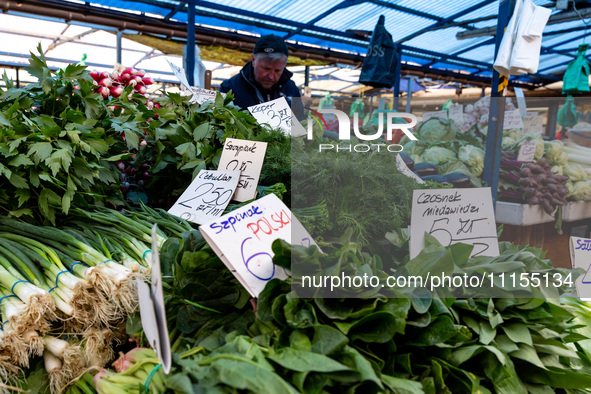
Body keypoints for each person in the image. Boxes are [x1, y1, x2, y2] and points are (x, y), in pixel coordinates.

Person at [220, 34, 302, 114]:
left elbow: (301, 120)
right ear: (253, 60)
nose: (271, 76)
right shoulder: (229, 88)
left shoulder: (291, 89)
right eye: (266, 69)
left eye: (278, 70)